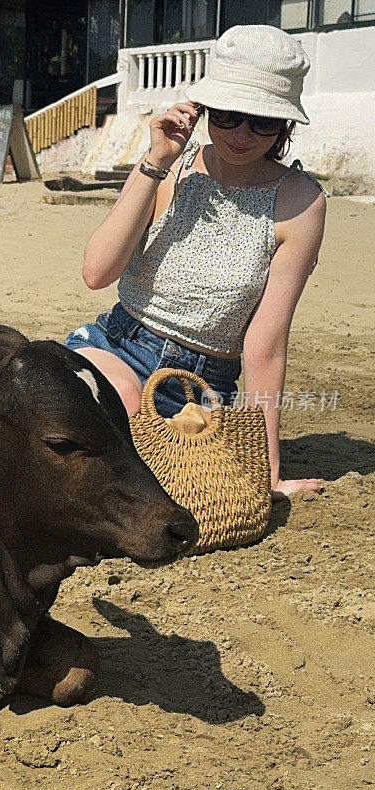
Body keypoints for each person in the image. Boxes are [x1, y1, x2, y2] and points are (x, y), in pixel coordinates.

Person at [64, 25, 326, 499]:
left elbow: (264, 345)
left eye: (262, 121)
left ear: (285, 125)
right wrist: (155, 161)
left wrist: (265, 471)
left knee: (164, 479)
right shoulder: (170, 169)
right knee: (104, 410)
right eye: (227, 115)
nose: (241, 134)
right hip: (119, 346)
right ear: (204, 109)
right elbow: (97, 272)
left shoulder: (300, 202)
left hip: (200, 386)